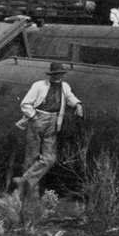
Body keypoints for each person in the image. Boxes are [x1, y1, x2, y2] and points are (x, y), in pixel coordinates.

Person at [13, 62, 83, 202]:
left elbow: (70, 98)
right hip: (38, 119)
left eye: (60, 74)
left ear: (63, 75)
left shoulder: (64, 87)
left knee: (49, 158)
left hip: (53, 121)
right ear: (50, 75)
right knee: (31, 156)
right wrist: (34, 117)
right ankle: (25, 195)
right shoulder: (39, 86)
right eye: (55, 74)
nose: (58, 77)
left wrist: (78, 104)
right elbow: (25, 104)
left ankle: (24, 180)